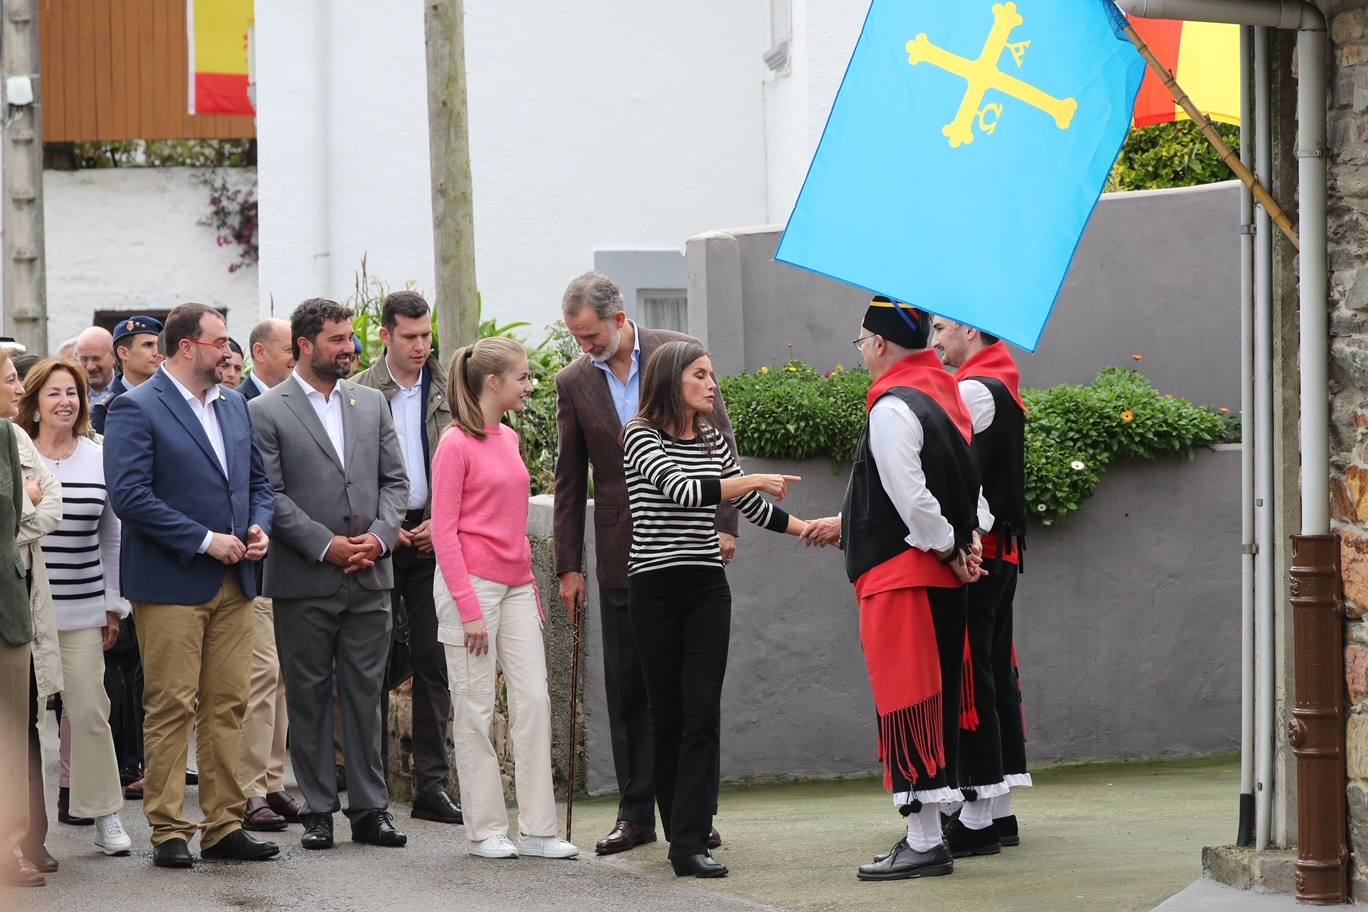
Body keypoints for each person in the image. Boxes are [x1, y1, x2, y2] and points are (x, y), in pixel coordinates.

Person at [554, 272, 739, 856]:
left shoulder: (681, 353)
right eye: (577, 338)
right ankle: (636, 815)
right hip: (618, 554)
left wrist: (726, 524)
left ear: (618, 317)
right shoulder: (573, 381)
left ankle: (693, 817)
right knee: (629, 686)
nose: (585, 347)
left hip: (690, 544)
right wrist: (568, 565)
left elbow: (721, 439)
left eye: (590, 335)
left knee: (690, 694)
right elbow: (567, 478)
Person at [801, 298, 984, 882]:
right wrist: (964, 544)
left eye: (860, 343)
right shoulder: (946, 393)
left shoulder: (892, 406)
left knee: (908, 705)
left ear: (879, 344)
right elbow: (967, 491)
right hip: (936, 580)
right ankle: (927, 832)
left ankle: (925, 839)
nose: (861, 355)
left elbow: (912, 497)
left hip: (902, 579)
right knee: (937, 701)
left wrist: (950, 547)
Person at [623, 340, 808, 879]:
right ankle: (682, 828)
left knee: (701, 712)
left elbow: (748, 506)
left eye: (713, 374)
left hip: (706, 587)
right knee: (669, 715)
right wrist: (748, 478)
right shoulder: (639, 435)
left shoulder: (710, 437)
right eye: (701, 375)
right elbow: (685, 491)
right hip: (654, 588)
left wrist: (812, 531)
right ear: (672, 380)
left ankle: (689, 840)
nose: (712, 384)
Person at [104, 303, 278, 868]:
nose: (229, 352)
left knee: (229, 703)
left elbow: (258, 483)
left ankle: (224, 824)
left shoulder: (233, 405)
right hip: (172, 581)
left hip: (237, 577)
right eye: (220, 341)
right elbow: (130, 496)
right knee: (171, 705)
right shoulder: (137, 408)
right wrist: (205, 540)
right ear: (187, 347)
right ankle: (169, 828)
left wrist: (258, 527)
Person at [250, 298, 409, 852]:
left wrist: (381, 538)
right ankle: (320, 810)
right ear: (305, 346)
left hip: (371, 576)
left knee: (367, 695)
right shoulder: (266, 410)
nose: (352, 349)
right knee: (310, 697)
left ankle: (371, 810)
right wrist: (326, 545)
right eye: (339, 340)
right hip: (302, 579)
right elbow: (269, 494)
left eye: (351, 339)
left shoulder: (371, 403)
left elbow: (396, 482)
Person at [429, 338, 576, 860]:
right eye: (521, 377)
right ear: (493, 383)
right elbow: (443, 533)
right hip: (470, 587)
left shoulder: (509, 439)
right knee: (474, 709)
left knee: (534, 700)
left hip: (516, 587)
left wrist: (530, 590)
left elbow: (513, 525)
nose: (529, 385)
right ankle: (486, 829)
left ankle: (538, 830)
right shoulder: (454, 444)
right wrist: (469, 608)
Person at [352, 291, 460, 825]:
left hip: (433, 536)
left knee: (433, 660)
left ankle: (431, 787)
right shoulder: (359, 392)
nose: (422, 346)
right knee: (369, 663)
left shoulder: (449, 388)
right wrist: (383, 529)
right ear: (386, 336)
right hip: (377, 540)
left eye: (427, 335)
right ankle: (367, 791)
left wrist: (439, 523)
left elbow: (465, 458)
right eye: (411, 336)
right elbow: (348, 471)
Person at [20, 360, 133, 858]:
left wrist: (113, 603)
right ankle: (23, 830)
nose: (65, 401)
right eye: (53, 393)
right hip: (24, 611)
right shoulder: (16, 456)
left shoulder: (100, 455)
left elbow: (113, 534)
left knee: (90, 712)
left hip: (84, 605)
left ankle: (105, 813)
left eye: (73, 393)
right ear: (34, 402)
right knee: (25, 723)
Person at [931, 317, 1031, 854]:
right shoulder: (1002, 378)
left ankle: (975, 817)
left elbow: (954, 473)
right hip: (1001, 550)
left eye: (943, 328)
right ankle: (998, 807)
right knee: (992, 671)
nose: (936, 341)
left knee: (973, 676)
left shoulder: (973, 388)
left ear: (971, 330)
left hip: (979, 552)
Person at [235, 318, 301, 832]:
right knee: (259, 676)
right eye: (287, 349)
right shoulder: (241, 404)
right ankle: (250, 789)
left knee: (280, 677)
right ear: (261, 352)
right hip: (256, 557)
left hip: (292, 561)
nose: (296, 357)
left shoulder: (295, 401)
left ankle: (273, 781)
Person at [0, 347, 61, 887]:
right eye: (10, 378)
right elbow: (25, 509)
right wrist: (21, 513)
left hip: (14, 602)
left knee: (19, 728)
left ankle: (15, 845)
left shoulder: (12, 438)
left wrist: (13, 524)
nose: (19, 388)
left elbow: (51, 506)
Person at [92, 316, 163, 435]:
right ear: (124, 353)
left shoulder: (169, 396)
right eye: (148, 345)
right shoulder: (105, 408)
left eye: (158, 345)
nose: (157, 352)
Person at [76, 327, 118, 398]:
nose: (90, 367)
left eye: (96, 359)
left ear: (113, 356)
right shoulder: (69, 396)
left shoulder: (128, 391)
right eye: (84, 359)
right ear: (76, 356)